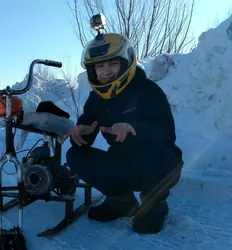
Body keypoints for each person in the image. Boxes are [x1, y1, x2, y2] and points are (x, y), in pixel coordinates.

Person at [64, 32, 183, 234]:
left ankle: (155, 204)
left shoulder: (148, 90)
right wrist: (81, 132)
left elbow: (166, 134)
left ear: (126, 63)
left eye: (112, 64)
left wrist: (135, 128)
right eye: (99, 66)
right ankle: (121, 201)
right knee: (75, 155)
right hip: (122, 159)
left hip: (157, 161)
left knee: (161, 155)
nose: (105, 71)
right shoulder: (95, 98)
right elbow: (87, 127)